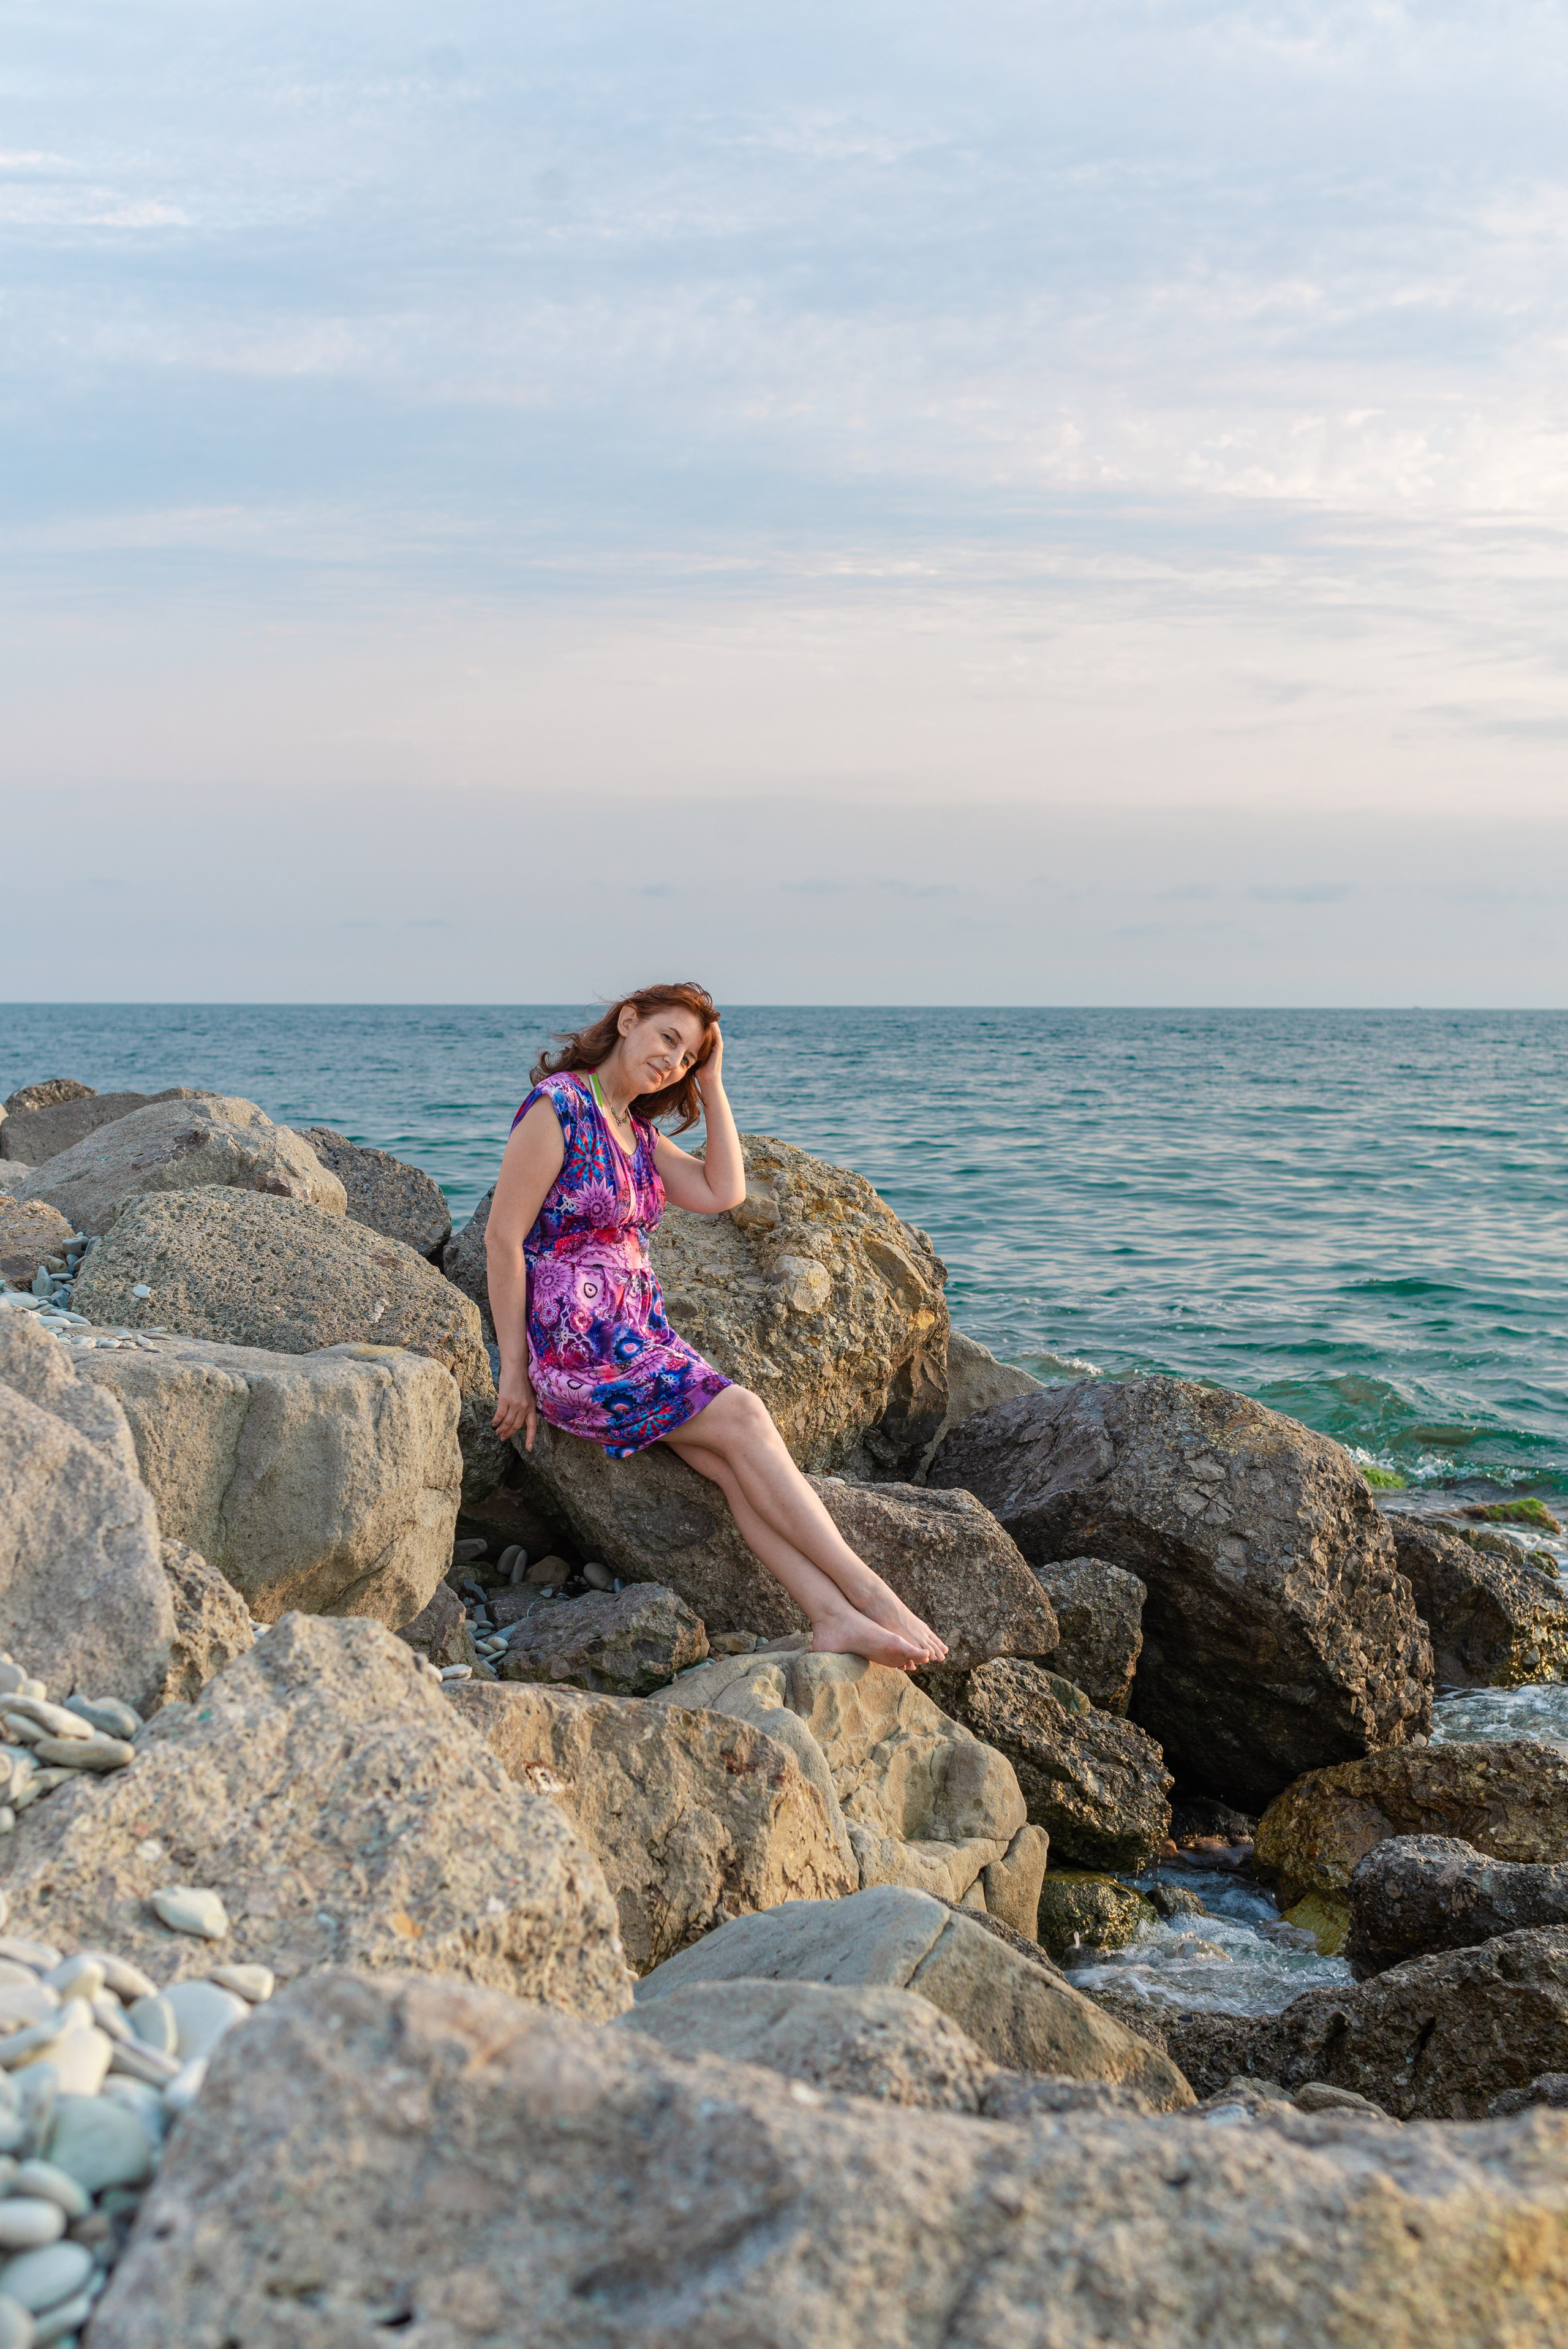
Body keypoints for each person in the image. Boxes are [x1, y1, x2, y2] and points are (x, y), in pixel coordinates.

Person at [486, 982, 946, 1670]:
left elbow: (722, 1190)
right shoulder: (560, 1107)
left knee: (735, 1470)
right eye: (668, 1039)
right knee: (746, 1416)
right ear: (628, 1020)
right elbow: (502, 1237)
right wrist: (516, 1376)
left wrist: (715, 1081)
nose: (672, 1061)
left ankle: (830, 1618)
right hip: (580, 1349)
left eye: (687, 1056)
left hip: (640, 1339)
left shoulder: (635, 1131)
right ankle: (870, 1594)